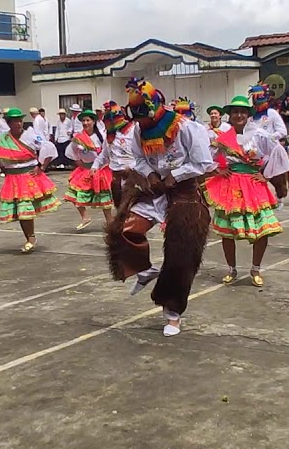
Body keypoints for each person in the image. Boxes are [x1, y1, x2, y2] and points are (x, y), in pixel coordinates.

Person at [104, 79, 215, 337]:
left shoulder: (188, 128)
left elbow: (203, 163)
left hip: (184, 192)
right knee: (122, 229)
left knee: (181, 254)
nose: (139, 123)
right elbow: (139, 159)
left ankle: (173, 315)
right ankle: (144, 270)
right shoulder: (137, 130)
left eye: (143, 116)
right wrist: (151, 176)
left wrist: (174, 176)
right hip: (156, 190)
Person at [204, 95, 289, 287]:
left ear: (248, 114)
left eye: (243, 111)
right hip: (231, 185)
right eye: (235, 112)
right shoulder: (224, 138)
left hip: (253, 184)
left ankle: (255, 269)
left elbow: (278, 152)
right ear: (230, 115)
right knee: (228, 231)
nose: (239, 115)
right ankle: (232, 269)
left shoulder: (259, 134)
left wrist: (266, 175)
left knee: (262, 229)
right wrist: (217, 168)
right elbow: (205, 155)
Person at [0, 108, 59, 253]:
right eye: (14, 121)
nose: (18, 124)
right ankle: (29, 237)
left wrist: (41, 167)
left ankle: (31, 238)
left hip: (28, 176)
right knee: (20, 211)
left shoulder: (30, 136)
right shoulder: (3, 139)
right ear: (8, 123)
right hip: (13, 178)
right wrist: (4, 168)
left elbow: (48, 147)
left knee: (25, 208)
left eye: (20, 120)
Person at [64, 110, 114, 230]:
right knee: (74, 193)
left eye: (88, 120)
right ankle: (85, 217)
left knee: (104, 198)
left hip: (100, 170)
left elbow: (107, 152)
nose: (85, 123)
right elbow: (72, 153)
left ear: (94, 121)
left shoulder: (101, 135)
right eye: (83, 120)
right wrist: (81, 164)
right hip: (85, 169)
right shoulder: (78, 138)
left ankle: (110, 222)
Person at [101, 101, 135, 208]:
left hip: (131, 175)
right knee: (118, 205)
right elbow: (104, 154)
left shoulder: (133, 131)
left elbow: (142, 154)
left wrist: (132, 167)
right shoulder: (108, 136)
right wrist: (94, 167)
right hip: (116, 177)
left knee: (131, 205)